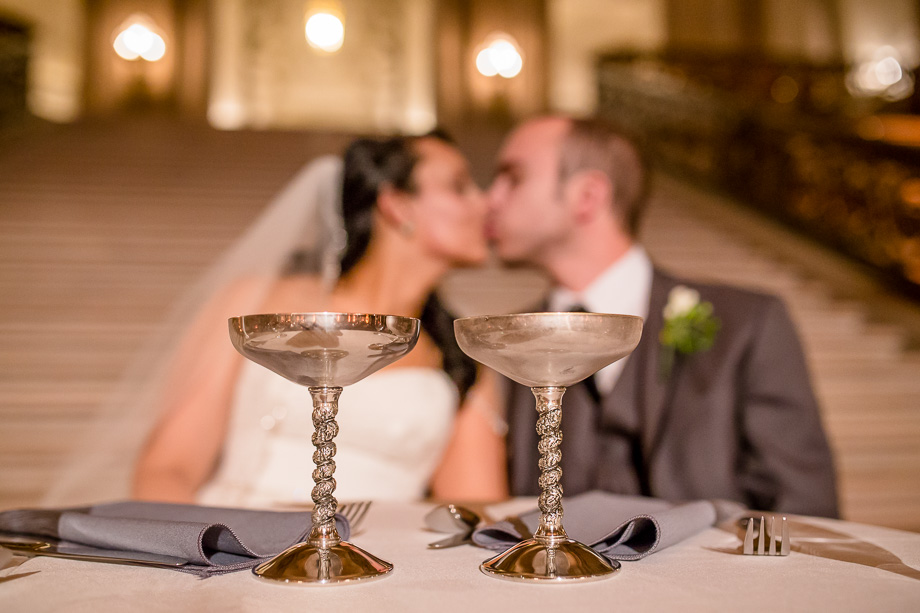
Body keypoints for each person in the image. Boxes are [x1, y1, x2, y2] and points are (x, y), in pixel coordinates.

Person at [126, 132, 508, 506]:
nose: (487, 202)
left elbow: (474, 511)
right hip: (235, 535)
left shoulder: (461, 355)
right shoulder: (257, 303)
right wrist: (208, 542)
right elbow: (167, 468)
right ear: (397, 205)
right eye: (459, 187)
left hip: (379, 548)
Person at [487, 115, 839, 517]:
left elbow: (806, 509)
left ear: (588, 196)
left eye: (513, 179)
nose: (489, 199)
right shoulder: (506, 342)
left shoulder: (748, 324)